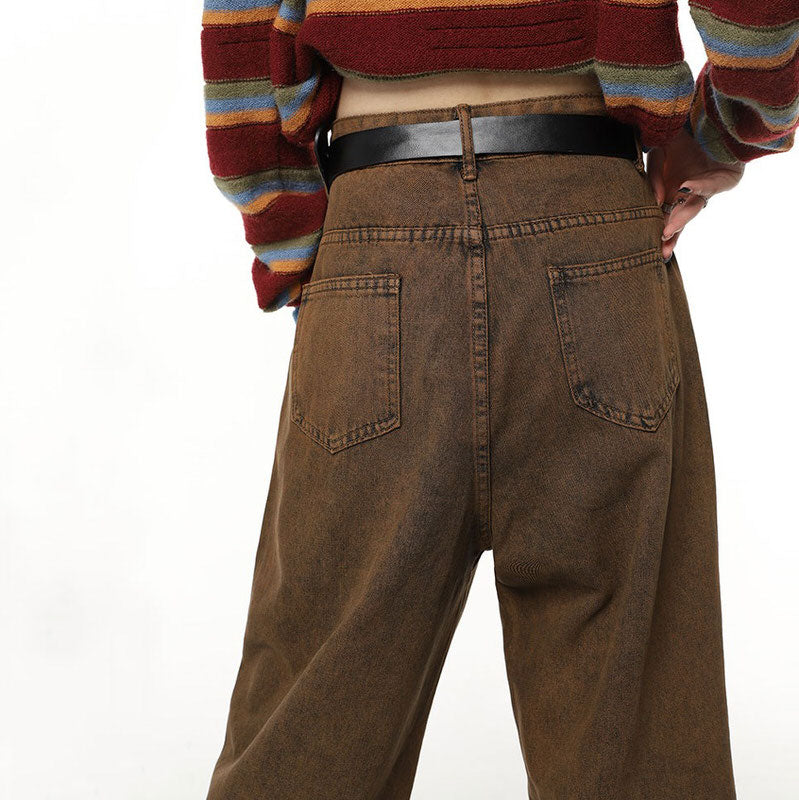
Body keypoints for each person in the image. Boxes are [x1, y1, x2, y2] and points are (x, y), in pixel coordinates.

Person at [200, 1, 798, 798]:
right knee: (635, 740)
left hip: (378, 220)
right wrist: (725, 131)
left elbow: (241, 42)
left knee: (307, 725)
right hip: (586, 213)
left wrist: (303, 253)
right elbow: (755, 20)